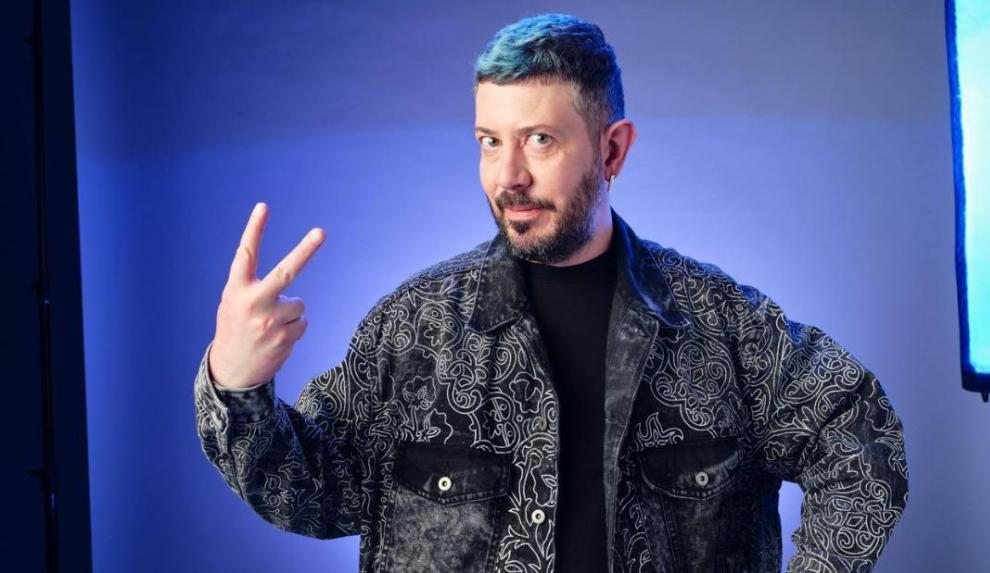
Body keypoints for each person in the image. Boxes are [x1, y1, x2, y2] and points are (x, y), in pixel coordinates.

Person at [195, 13, 908, 572]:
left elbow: (859, 439)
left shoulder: (723, 326)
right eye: (489, 141)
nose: (508, 176)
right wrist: (236, 384)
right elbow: (317, 493)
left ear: (612, 149)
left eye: (539, 139)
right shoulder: (415, 330)